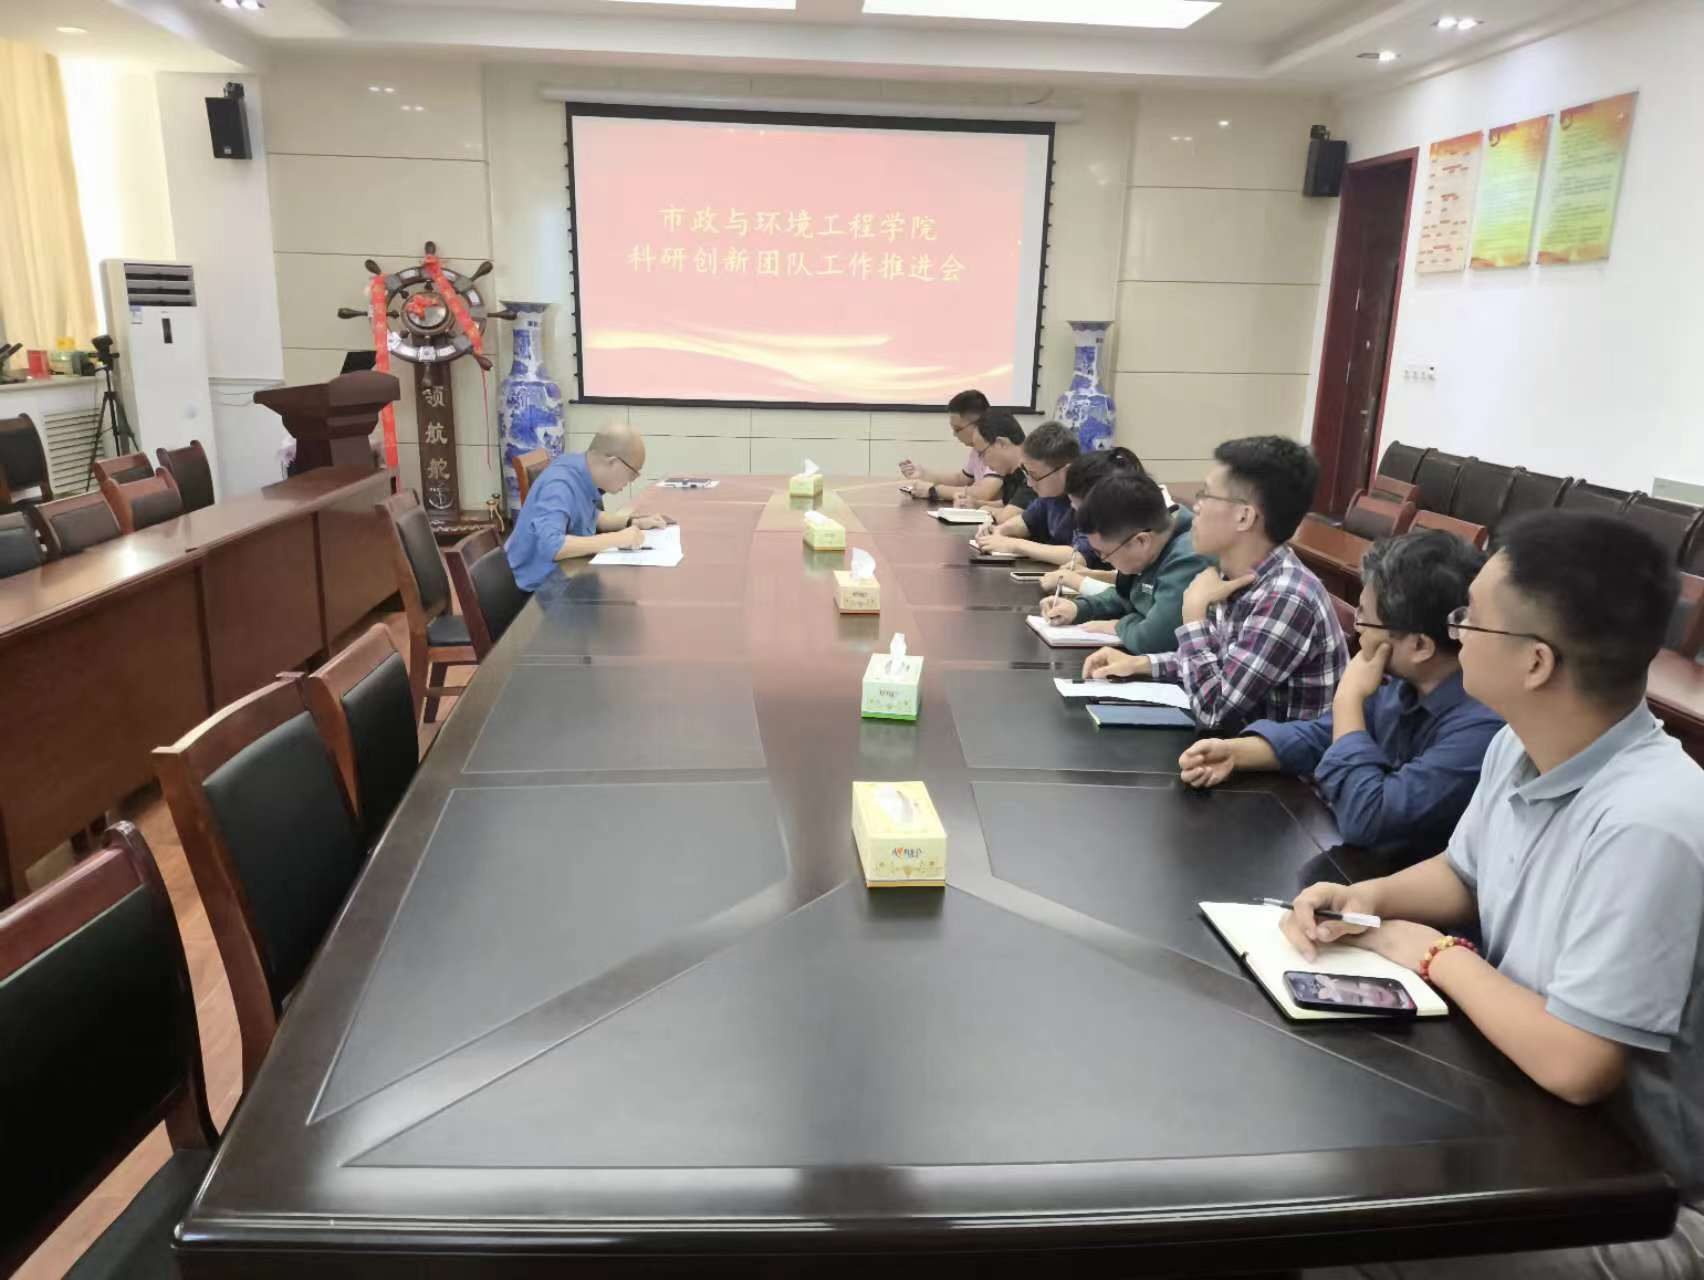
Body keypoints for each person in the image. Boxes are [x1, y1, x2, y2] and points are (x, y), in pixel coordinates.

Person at [1289, 512, 1703, 1280]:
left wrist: (1434, 954)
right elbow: (1465, 873)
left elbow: (1578, 1062)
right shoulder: (1520, 742)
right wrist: (1367, 896)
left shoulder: (1651, 822)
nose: (1456, 632)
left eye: (1470, 618)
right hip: (1535, 1127)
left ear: (1537, 662)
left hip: (1646, 1197)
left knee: (1340, 1223)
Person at [1179, 530, 1503, 857]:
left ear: (1420, 646)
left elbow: (1367, 816)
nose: (1358, 629)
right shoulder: (1406, 683)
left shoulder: (1481, 730)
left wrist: (1348, 700)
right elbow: (1325, 736)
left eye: (1366, 620)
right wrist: (1236, 753)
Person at [1082, 435, 1347, 732]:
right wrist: (1142, 664)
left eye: (1206, 495)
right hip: (1231, 747)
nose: (1195, 507)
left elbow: (1214, 712)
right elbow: (1219, 662)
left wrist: (1194, 615)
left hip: (1276, 760)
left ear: (1244, 516)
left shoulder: (1286, 597)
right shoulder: (1231, 574)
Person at [1038, 471, 1210, 654]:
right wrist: (1079, 608)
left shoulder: (1190, 558)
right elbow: (1130, 597)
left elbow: (1154, 640)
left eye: (1105, 553)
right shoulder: (1155, 542)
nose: (1105, 560)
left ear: (1141, 541)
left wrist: (1118, 625)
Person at [503, 423, 671, 591]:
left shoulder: (579, 469)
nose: (631, 481)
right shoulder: (560, 484)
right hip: (534, 590)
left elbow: (591, 516)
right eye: (633, 473)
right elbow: (552, 546)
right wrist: (617, 539)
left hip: (564, 574)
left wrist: (633, 522)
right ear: (613, 462)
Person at [970, 421, 1081, 565]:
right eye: (1027, 473)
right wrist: (998, 531)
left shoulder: (1090, 498)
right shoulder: (1049, 496)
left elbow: (1079, 557)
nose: (1029, 483)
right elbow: (1025, 522)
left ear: (1065, 472)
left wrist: (1014, 545)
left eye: (1034, 475)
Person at [1037, 447, 1146, 593]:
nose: (1076, 512)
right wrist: (1089, 574)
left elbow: (1140, 598)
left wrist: (1075, 581)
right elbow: (1132, 579)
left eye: (1079, 508)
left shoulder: (1155, 533)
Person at [898, 389, 1002, 506]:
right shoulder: (976, 449)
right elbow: (962, 479)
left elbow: (982, 493)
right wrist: (924, 475)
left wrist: (933, 490)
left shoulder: (998, 446)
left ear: (978, 423)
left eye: (957, 429)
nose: (954, 434)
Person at [958, 411, 1036, 521]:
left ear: (1000, 443)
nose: (984, 463)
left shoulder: (1032, 469)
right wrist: (976, 504)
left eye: (983, 454)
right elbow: (1011, 504)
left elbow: (1008, 516)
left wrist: (985, 509)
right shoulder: (1011, 471)